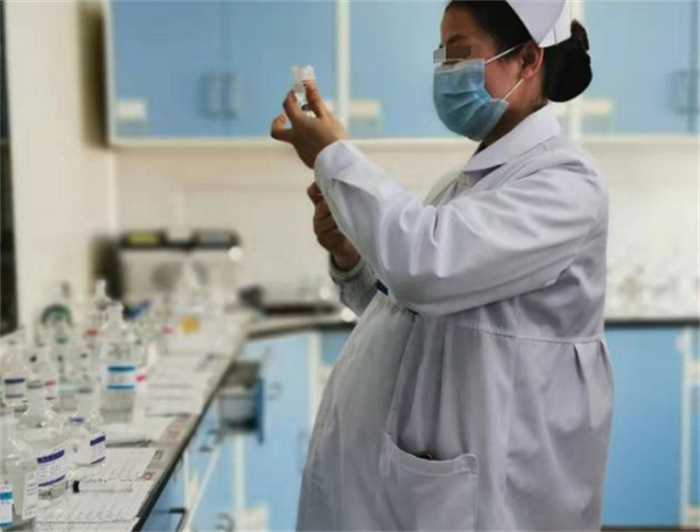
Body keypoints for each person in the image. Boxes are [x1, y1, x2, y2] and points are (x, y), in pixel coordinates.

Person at [270, 0, 612, 529]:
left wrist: (333, 155)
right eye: (442, 55)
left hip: (488, 487)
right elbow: (404, 308)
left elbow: (424, 268)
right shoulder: (467, 183)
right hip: (409, 483)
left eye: (460, 53)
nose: (446, 71)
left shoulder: (565, 184)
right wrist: (349, 256)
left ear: (526, 59)